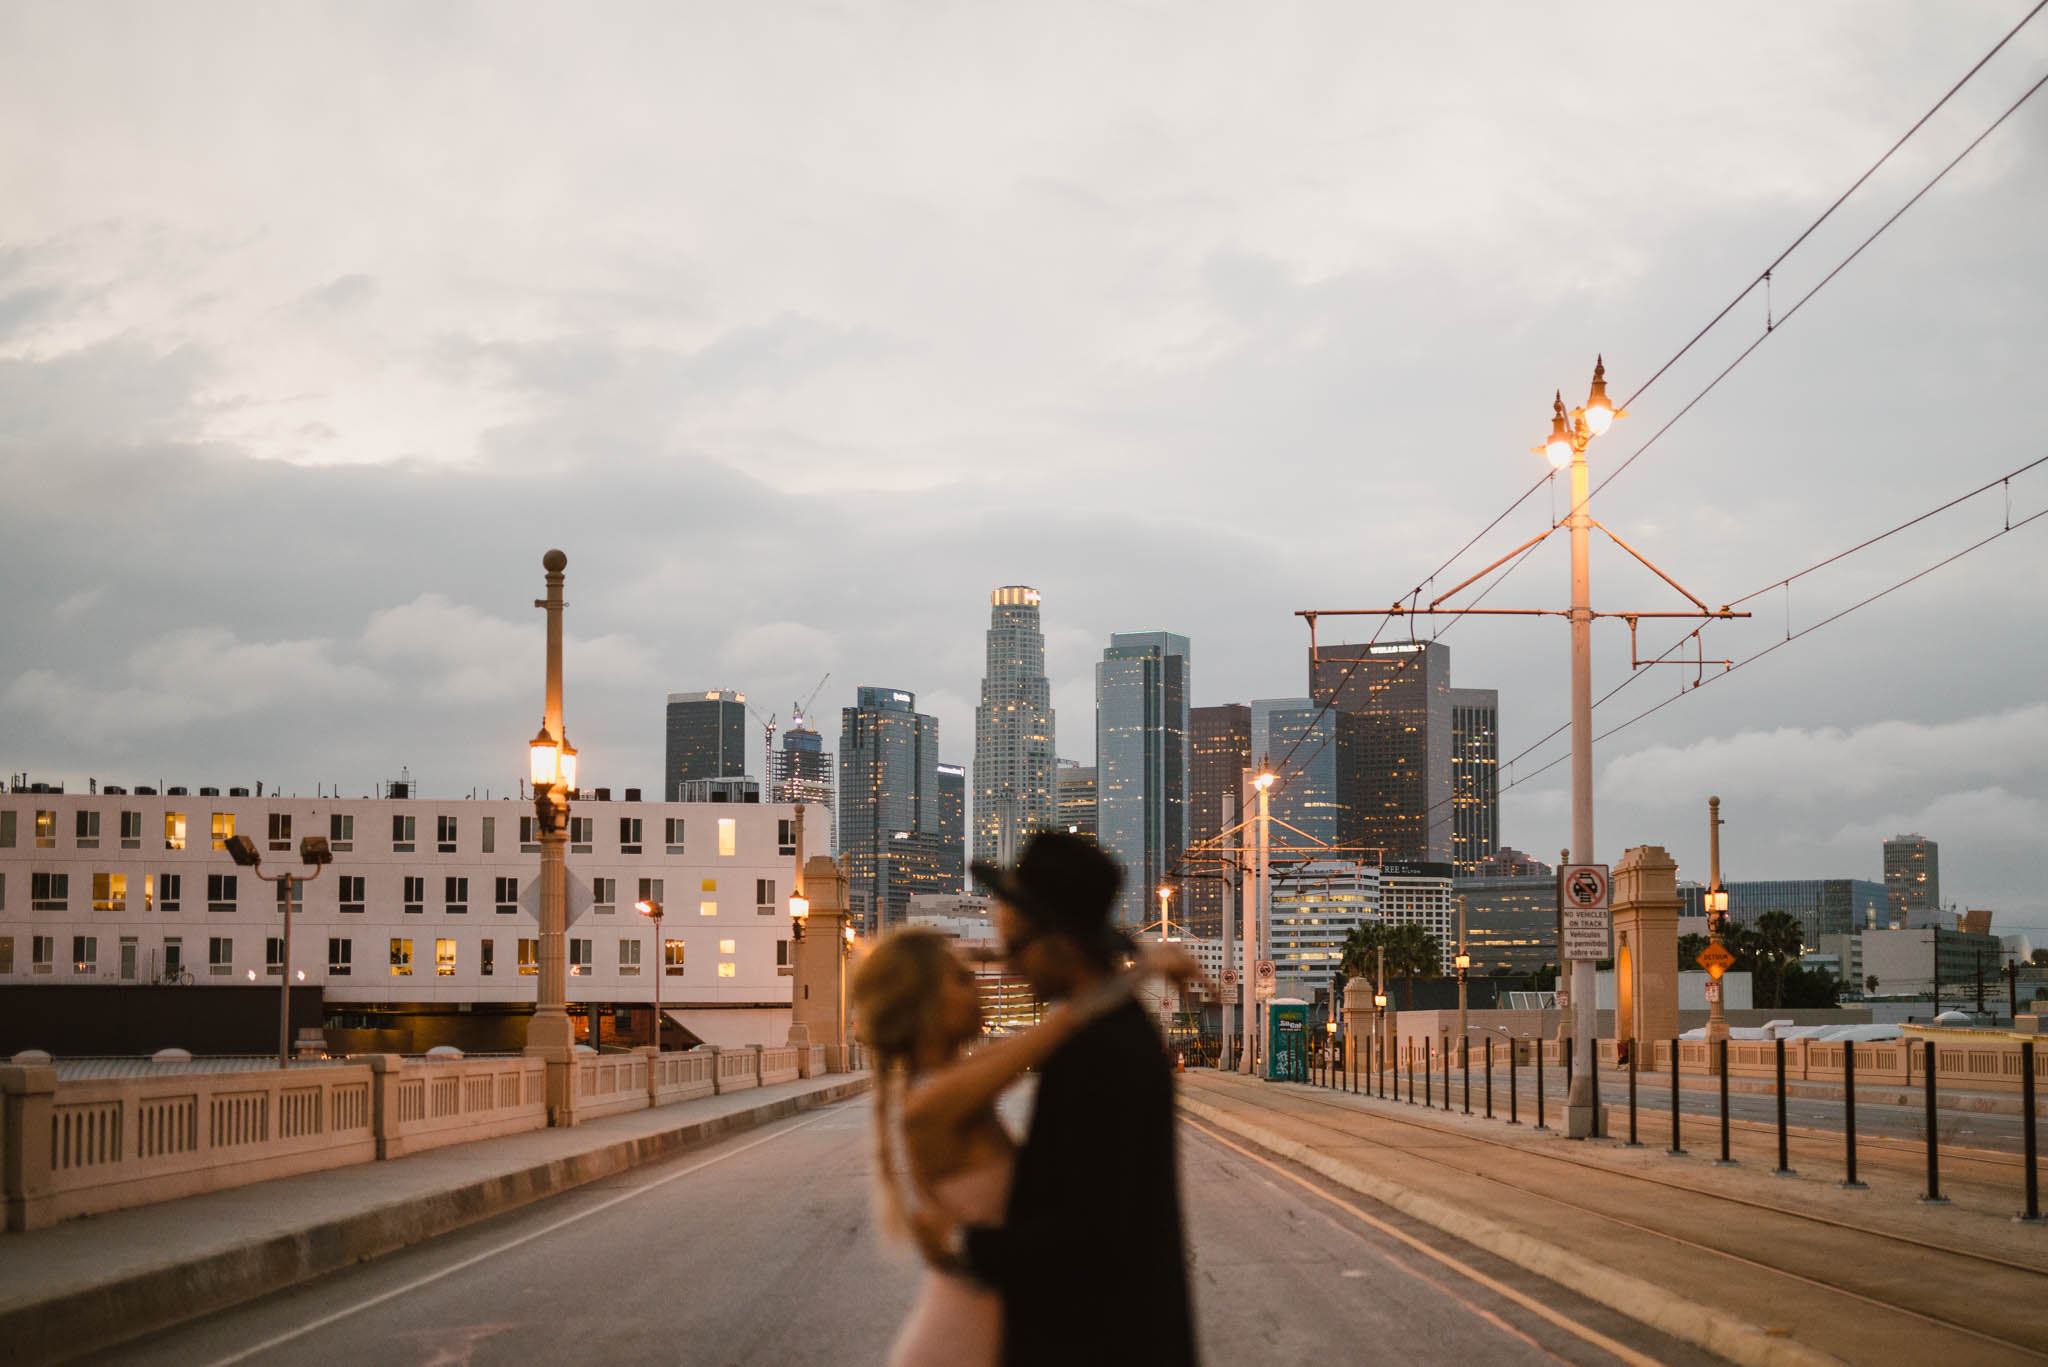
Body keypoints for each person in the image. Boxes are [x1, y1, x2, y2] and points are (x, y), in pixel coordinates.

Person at [854, 917, 1193, 1367]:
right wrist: (1148, 965)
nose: (976, 986)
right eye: (961, 979)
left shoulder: (946, 1082)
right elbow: (1065, 1022)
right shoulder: (934, 1102)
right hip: (958, 1347)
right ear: (926, 1004)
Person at [948, 831, 1200, 1365]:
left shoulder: (1103, 1051)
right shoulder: (1100, 1032)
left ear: (1061, 942)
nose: (1013, 969)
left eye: (1016, 949)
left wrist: (966, 1247)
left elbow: (1090, 1233)